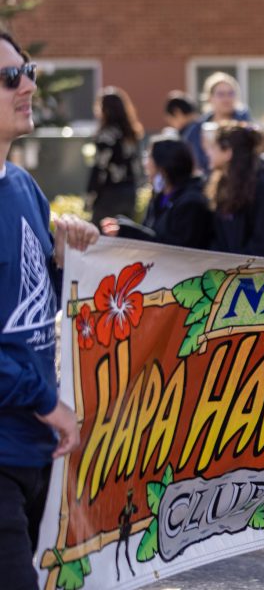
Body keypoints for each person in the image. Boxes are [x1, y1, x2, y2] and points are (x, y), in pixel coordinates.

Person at [0, 32, 98, 589]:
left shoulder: (24, 187)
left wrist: (66, 262)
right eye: (9, 77)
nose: (29, 86)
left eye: (28, 70)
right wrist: (47, 402)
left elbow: (36, 305)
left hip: (38, 456)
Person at [100, 135, 212, 249]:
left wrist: (128, 231)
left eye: (149, 157)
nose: (145, 164)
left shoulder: (191, 202)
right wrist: (123, 226)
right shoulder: (161, 196)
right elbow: (151, 233)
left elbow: (176, 248)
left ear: (163, 164)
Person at [205, 122, 264, 258]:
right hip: (228, 269)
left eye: (213, 148)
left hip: (260, 270)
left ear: (228, 152)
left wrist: (235, 265)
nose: (208, 153)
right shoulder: (223, 185)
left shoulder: (263, 187)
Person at [86, 86, 143, 226]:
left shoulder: (106, 135)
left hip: (109, 194)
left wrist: (90, 195)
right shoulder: (131, 134)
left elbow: (99, 168)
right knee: (124, 234)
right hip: (130, 193)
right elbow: (136, 166)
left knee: (102, 234)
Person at [185, 72, 251, 174]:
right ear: (209, 98)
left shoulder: (244, 125)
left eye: (231, 93)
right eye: (221, 94)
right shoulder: (197, 129)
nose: (226, 99)